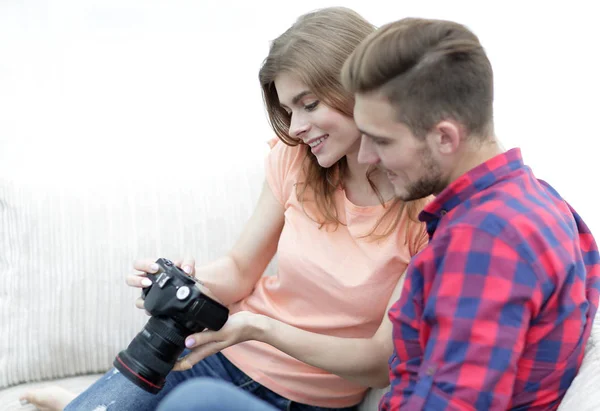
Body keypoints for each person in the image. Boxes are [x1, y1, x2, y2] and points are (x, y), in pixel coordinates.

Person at [142, 15, 600, 411]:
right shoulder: (544, 206)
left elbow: (450, 398)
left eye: (380, 141)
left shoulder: (482, 241)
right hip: (246, 363)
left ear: (443, 137)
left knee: (197, 402)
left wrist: (260, 329)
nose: (370, 159)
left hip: (308, 390)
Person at [20, 7, 430, 411]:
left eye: (309, 104)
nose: (295, 127)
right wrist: (189, 285)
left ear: (362, 88)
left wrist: (263, 329)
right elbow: (239, 268)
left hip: (307, 398)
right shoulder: (296, 162)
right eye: (289, 111)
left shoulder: (427, 210)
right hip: (219, 357)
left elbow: (380, 364)